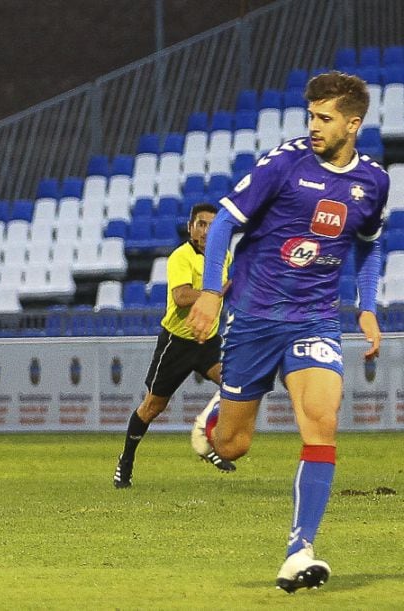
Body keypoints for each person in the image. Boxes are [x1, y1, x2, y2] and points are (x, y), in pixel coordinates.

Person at [187, 71, 388, 592]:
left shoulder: (373, 182)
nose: (313, 126)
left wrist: (366, 306)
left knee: (321, 422)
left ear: (353, 122)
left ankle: (300, 551)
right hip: (253, 316)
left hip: (315, 316)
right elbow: (226, 223)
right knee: (234, 446)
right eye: (311, 116)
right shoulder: (285, 163)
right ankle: (215, 421)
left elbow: (368, 243)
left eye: (324, 118)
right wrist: (211, 292)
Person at [112, 203, 234, 489]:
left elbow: (225, 292)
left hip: (208, 340)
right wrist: (213, 294)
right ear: (191, 228)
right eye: (200, 224)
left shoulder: (223, 256)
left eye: (212, 225)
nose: (205, 231)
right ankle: (125, 461)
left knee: (235, 388)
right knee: (153, 407)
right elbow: (180, 296)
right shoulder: (181, 257)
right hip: (177, 343)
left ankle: (210, 442)